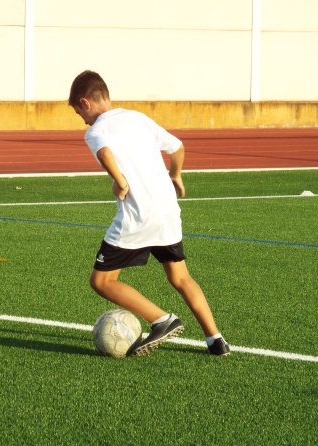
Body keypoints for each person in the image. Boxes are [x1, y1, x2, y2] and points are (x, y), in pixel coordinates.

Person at [68, 70, 230, 356]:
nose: (81, 118)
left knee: (102, 281)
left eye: (79, 111)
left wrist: (120, 182)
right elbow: (178, 147)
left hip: (138, 216)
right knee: (180, 277)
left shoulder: (95, 130)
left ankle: (162, 320)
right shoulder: (138, 118)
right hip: (168, 211)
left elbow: (105, 154)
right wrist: (175, 174)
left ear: (86, 102)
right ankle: (215, 339)